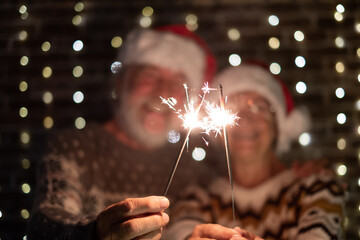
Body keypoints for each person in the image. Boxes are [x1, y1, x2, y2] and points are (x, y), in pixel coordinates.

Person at [27, 25, 216, 239]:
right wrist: (97, 232)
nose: (163, 92)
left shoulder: (193, 173)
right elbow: (44, 228)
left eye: (178, 83)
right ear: (121, 81)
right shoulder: (76, 148)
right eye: (150, 75)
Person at [165, 63, 344, 240]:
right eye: (233, 108)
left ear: (278, 124)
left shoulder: (315, 189)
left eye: (258, 108)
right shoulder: (198, 196)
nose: (244, 120)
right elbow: (182, 231)